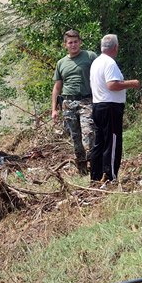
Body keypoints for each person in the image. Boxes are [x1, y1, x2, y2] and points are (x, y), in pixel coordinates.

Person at [89, 34, 139, 185]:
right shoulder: (109, 63)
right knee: (112, 141)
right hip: (110, 106)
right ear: (116, 47)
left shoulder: (96, 62)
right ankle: (110, 177)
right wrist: (132, 83)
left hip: (98, 105)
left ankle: (95, 176)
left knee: (100, 142)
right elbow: (112, 85)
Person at [51, 29, 98, 174]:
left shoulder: (90, 56)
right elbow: (57, 87)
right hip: (68, 103)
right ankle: (82, 170)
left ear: (80, 42)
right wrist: (54, 109)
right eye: (70, 42)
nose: (73, 45)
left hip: (86, 101)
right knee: (75, 138)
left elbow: (101, 73)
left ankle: (95, 166)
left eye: (76, 42)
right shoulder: (61, 63)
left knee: (88, 133)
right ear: (65, 45)